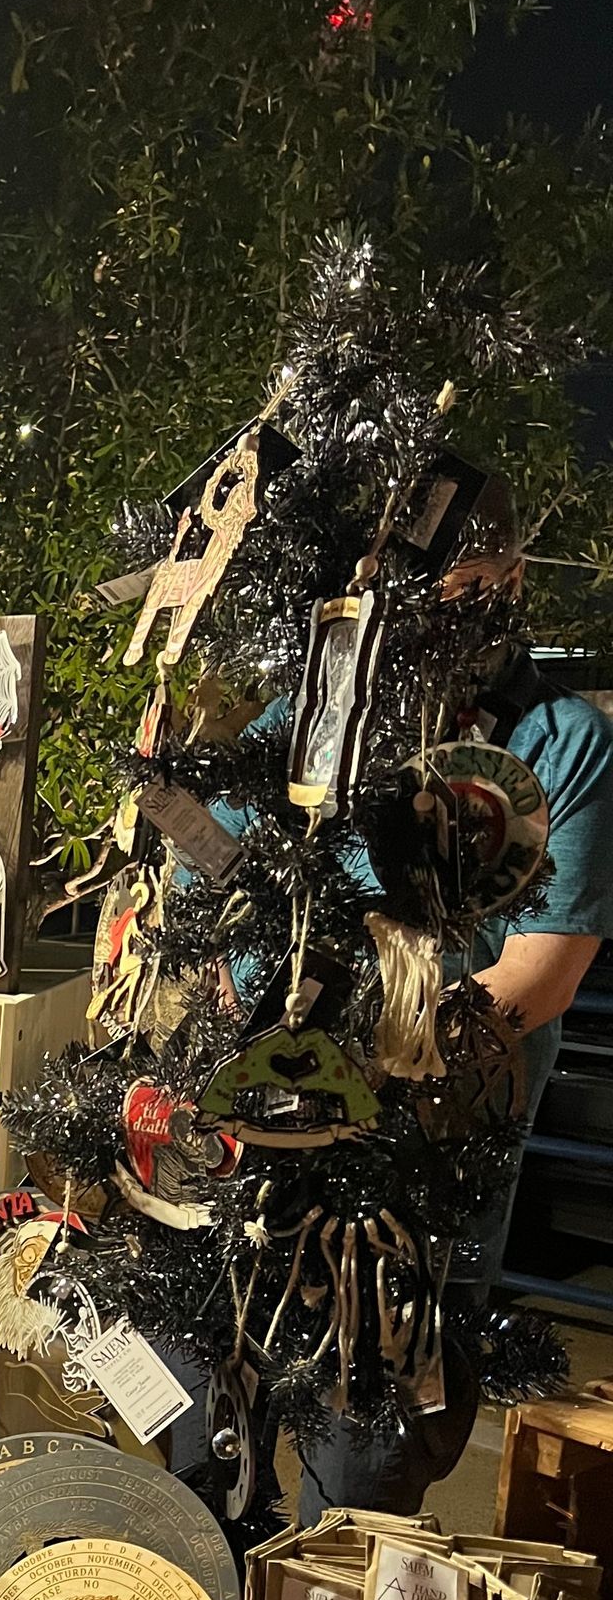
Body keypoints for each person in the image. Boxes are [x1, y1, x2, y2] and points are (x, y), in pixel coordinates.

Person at [171, 478, 613, 1524]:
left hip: (426, 1175)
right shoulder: (310, 718)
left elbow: (541, 974)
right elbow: (207, 883)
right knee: (209, 1455)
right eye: (397, 579)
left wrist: (368, 1066)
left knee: (364, 1482)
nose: (420, 606)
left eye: (455, 580)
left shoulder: (560, 744)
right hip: (259, 1157)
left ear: (507, 576)